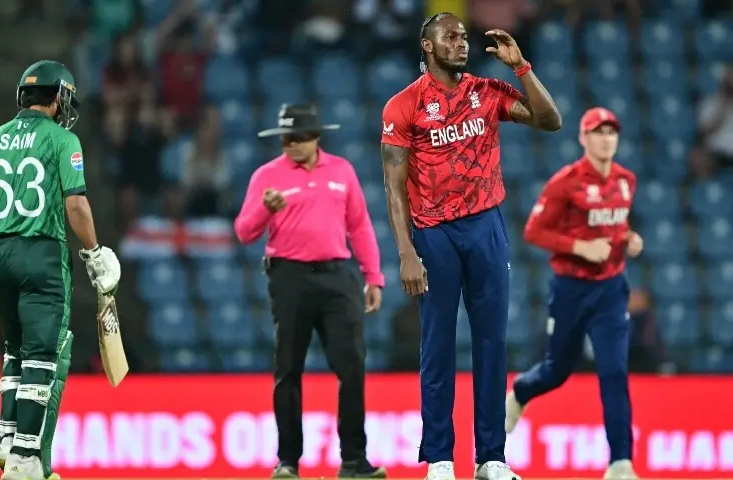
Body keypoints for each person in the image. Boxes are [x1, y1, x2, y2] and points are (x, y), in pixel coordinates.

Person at [380, 12, 562, 480]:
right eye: (450, 37)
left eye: (463, 37)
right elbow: (393, 187)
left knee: (491, 344)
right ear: (427, 46)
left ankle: (491, 459)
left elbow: (551, 121)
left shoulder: (487, 92)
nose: (461, 43)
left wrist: (520, 66)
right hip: (434, 233)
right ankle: (440, 459)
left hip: (485, 227)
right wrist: (406, 252)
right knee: (437, 346)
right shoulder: (403, 106)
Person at [0, 60, 122, 480]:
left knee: (14, 349)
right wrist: (94, 251)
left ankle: (7, 439)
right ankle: (26, 456)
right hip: (41, 252)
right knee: (42, 355)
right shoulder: (63, 140)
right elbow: (75, 204)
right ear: (58, 96)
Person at [235, 104, 386, 479]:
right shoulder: (266, 176)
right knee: (288, 368)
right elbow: (243, 231)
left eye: (298, 139)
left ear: (316, 137)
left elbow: (360, 226)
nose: (291, 146)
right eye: (286, 140)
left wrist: (374, 276)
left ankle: (354, 460)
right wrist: (264, 211)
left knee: (351, 365)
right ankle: (288, 462)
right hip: (289, 277)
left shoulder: (342, 171)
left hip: (337, 277)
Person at [506, 107, 642, 480]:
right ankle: (520, 392)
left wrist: (628, 239)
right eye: (598, 133)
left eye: (611, 133)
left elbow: (616, 224)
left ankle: (620, 463)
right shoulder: (565, 182)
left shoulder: (626, 180)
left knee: (614, 370)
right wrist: (581, 248)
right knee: (556, 371)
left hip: (611, 290)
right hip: (570, 288)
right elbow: (534, 231)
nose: (606, 139)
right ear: (583, 138)